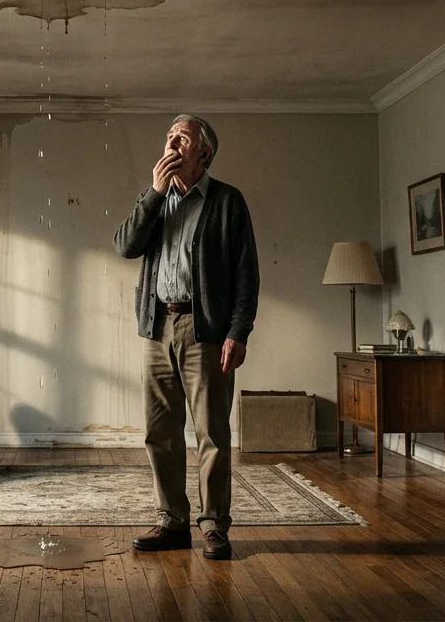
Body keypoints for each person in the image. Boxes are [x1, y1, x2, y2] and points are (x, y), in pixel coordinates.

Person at [113, 114, 259, 560]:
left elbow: (246, 276)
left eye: (183, 137)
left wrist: (238, 332)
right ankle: (172, 521)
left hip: (205, 330)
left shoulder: (227, 202)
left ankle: (215, 526)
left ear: (204, 153)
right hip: (157, 327)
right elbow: (124, 245)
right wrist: (154, 195)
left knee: (211, 431)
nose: (172, 142)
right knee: (160, 432)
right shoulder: (155, 200)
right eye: (169, 135)